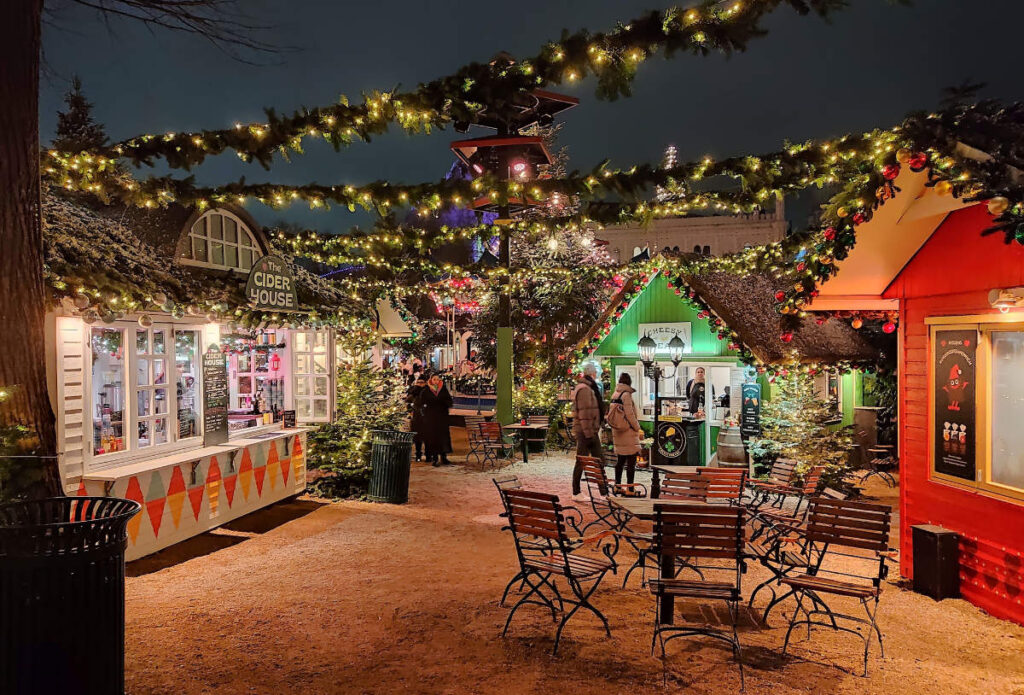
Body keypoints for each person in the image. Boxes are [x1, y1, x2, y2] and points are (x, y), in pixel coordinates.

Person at [571, 364, 605, 499]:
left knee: (595, 460)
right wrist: (589, 433)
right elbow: (584, 414)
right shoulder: (585, 390)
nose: (597, 374)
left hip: (588, 430)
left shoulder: (586, 388)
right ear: (592, 373)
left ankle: (603, 492)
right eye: (596, 372)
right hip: (587, 431)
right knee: (586, 460)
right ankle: (577, 491)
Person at [608, 373, 642, 486]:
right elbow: (630, 414)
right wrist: (637, 427)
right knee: (631, 462)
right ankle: (630, 488)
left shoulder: (615, 394)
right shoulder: (626, 394)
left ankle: (618, 485)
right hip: (628, 433)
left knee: (621, 461)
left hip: (618, 432)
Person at [417, 374, 454, 466]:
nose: (436, 381)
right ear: (431, 380)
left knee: (443, 437)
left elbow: (449, 401)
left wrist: (443, 403)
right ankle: (435, 458)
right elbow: (421, 403)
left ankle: (444, 456)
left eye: (438, 379)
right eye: (434, 379)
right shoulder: (426, 390)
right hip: (431, 418)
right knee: (433, 438)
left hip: (442, 418)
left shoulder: (443, 390)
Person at [406, 375, 427, 461]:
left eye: (421, 382)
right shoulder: (413, 392)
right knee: (417, 438)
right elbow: (408, 402)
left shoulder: (427, 392)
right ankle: (418, 454)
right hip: (416, 418)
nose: (419, 384)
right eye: (418, 382)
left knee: (426, 437)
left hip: (426, 417)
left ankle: (428, 454)